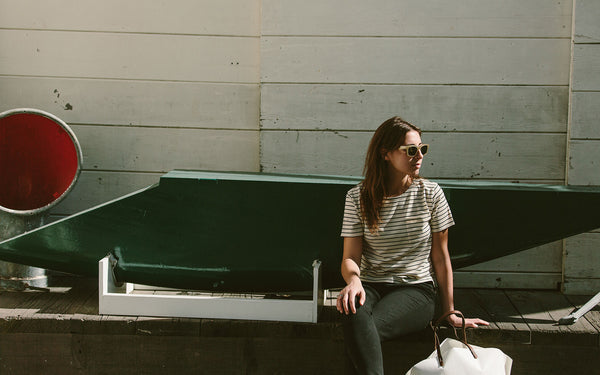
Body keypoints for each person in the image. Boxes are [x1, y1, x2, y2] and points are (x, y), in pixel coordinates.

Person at [336, 116, 489, 374]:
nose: (419, 155)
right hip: (371, 285)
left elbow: (441, 257)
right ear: (385, 154)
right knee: (352, 311)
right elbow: (350, 257)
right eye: (410, 150)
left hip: (416, 290)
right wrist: (354, 281)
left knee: (360, 330)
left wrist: (449, 311)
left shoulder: (430, 193)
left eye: (422, 149)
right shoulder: (358, 197)